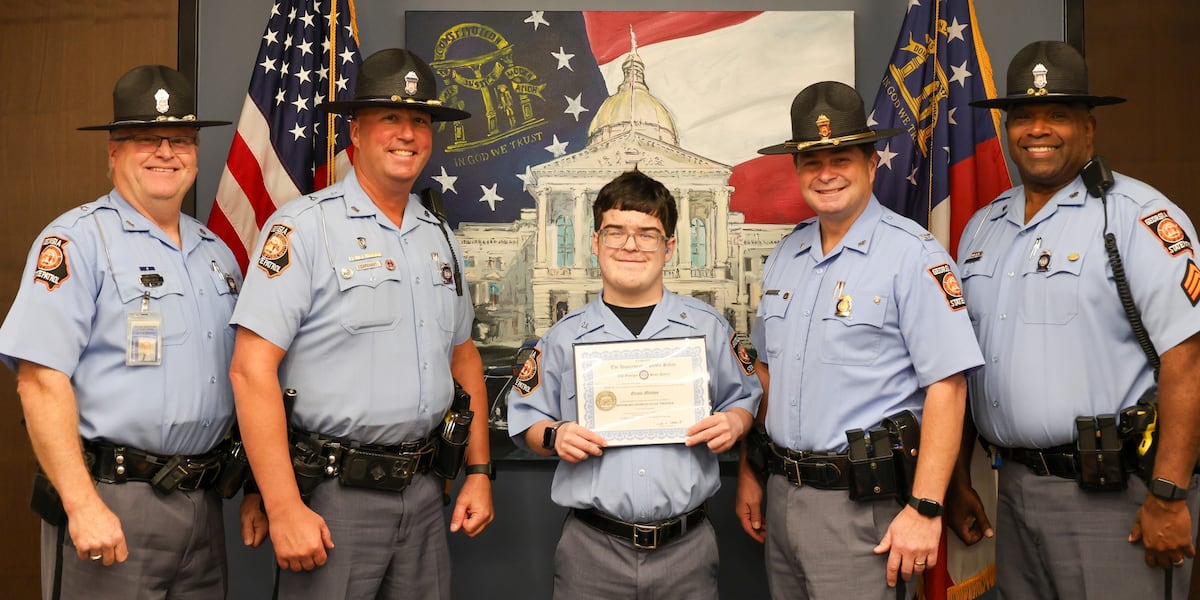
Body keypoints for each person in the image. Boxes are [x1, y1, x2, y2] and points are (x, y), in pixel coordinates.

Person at [228, 48, 493, 600]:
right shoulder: (304, 229)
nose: (407, 134)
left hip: (425, 496)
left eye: (419, 120)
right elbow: (251, 371)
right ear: (356, 129)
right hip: (331, 499)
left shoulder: (439, 236)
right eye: (390, 118)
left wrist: (479, 472)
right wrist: (282, 507)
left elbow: (462, 356)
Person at [948, 40, 1200, 599]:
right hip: (1012, 490)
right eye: (1023, 116)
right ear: (1007, 129)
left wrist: (1169, 493)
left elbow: (1189, 365)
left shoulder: (1139, 220)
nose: (1038, 130)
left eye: (1057, 115)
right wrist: (959, 477)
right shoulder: (981, 231)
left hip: (1116, 499)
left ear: (1089, 129)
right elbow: (966, 365)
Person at [0, 65, 261, 599]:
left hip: (202, 503)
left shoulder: (217, 254)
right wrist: (81, 504)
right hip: (111, 499)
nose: (166, 151)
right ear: (113, 152)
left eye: (181, 139)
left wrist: (255, 486)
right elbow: (39, 382)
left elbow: (242, 378)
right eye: (146, 137)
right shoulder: (76, 242)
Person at [734, 81, 984, 599]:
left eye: (841, 158)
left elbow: (949, 387)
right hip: (783, 497)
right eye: (811, 161)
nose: (826, 174)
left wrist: (925, 508)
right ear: (797, 170)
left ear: (872, 164)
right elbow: (766, 380)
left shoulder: (914, 256)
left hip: (863, 510)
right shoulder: (785, 256)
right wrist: (751, 471)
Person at [507, 169, 762, 599]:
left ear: (669, 247)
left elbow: (746, 399)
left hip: (687, 548)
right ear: (595, 243)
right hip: (592, 549)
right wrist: (556, 435)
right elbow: (527, 422)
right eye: (615, 232)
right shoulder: (563, 336)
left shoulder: (709, 328)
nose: (630, 245)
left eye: (647, 233)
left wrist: (735, 423)